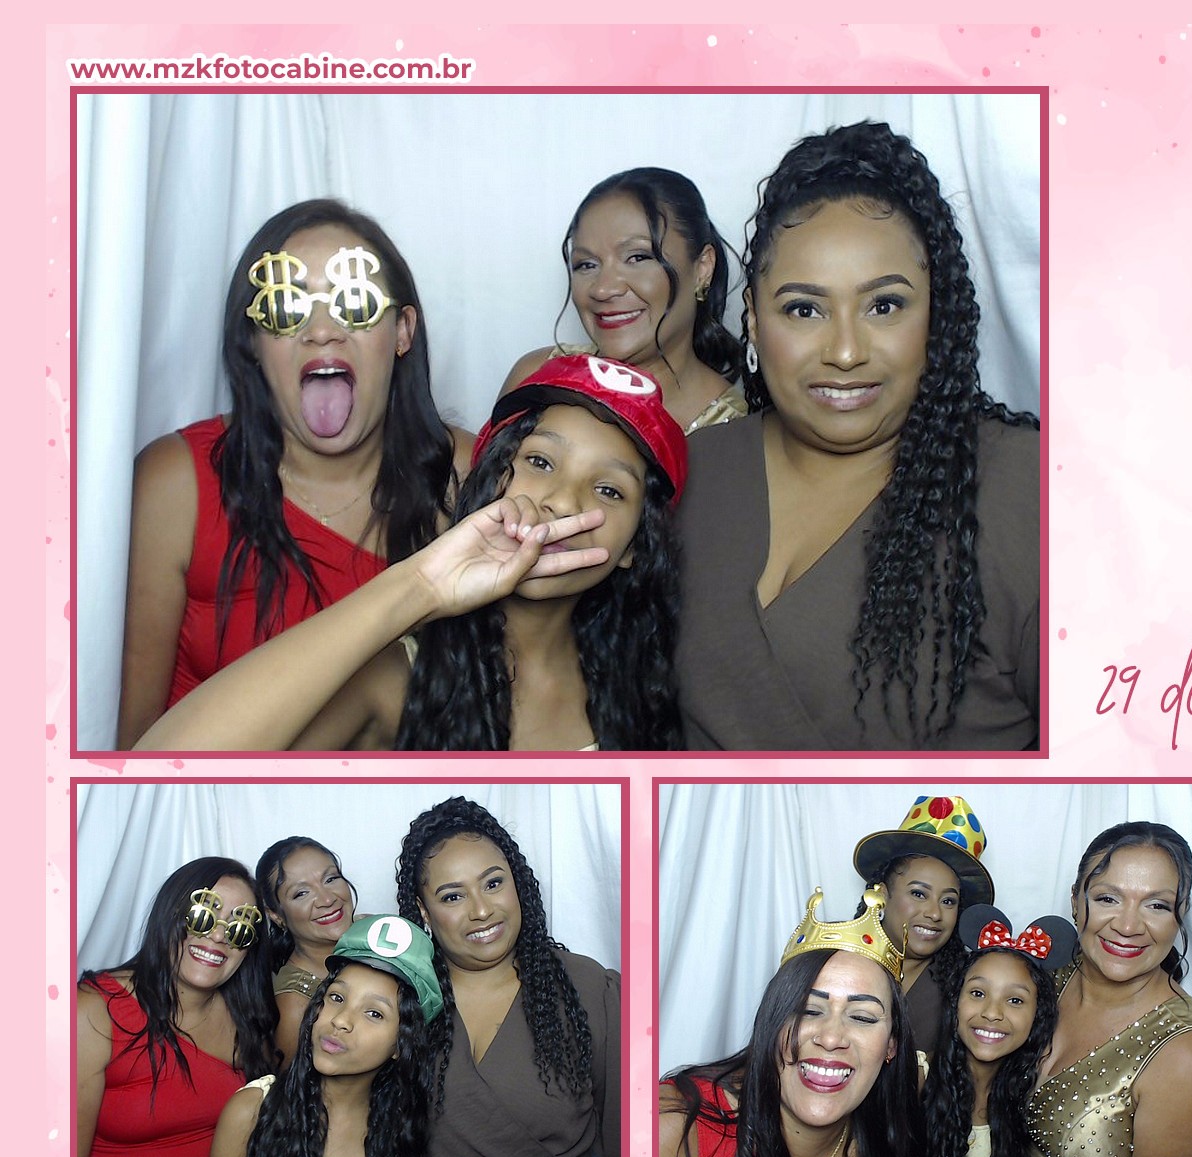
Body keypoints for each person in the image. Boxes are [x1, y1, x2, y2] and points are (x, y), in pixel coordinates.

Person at [676, 120, 1039, 750]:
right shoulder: (687, 472)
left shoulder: (1029, 492)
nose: (845, 352)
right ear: (754, 323)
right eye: (804, 309)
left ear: (936, 314)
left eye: (884, 305)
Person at [134, 353, 684, 751]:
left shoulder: (640, 689)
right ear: (491, 478)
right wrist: (421, 584)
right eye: (540, 462)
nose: (562, 500)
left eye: (609, 490)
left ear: (635, 546)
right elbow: (157, 767)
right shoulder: (400, 674)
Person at [119, 198, 469, 747]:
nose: (322, 331)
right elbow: (132, 754)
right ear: (253, 343)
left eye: (354, 302)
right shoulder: (176, 484)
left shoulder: (470, 475)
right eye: (286, 307)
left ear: (402, 331)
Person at [394, 798, 620, 1157]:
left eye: (493, 883)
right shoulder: (400, 996)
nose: (482, 910)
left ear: (516, 882)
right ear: (424, 912)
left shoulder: (588, 988)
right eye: (453, 896)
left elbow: (628, 1152)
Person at [659, 887, 924, 1157]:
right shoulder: (674, 1127)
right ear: (772, 1023)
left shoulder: (894, 1141)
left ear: (891, 1045)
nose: (831, 1038)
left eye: (862, 1017)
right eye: (808, 1010)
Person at [504, 168, 746, 433]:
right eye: (586, 264)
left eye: (638, 257)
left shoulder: (735, 431)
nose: (603, 289)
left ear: (702, 268)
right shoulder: (536, 377)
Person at [76, 858, 278, 1157]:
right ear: (170, 915)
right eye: (202, 916)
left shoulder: (248, 1016)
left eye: (239, 928)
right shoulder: (95, 1010)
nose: (219, 936)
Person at [1028, 822, 1192, 1157]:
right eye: (1108, 899)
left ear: (1180, 914)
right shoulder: (1041, 983)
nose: (1127, 926)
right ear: (1075, 900)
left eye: (1157, 905)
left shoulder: (1188, 1056)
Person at [210, 914, 446, 1157]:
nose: (341, 1020)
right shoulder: (251, 1112)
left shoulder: (403, 1133)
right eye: (336, 997)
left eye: (374, 1013)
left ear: (401, 1042)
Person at [922, 905, 1071, 1157]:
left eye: (1015, 1000)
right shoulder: (915, 1078)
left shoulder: (1031, 1102)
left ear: (1037, 1016)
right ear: (956, 1001)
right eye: (978, 993)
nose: (992, 1013)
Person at [850, 795, 994, 1051]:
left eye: (948, 901)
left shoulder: (965, 986)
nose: (935, 913)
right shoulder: (834, 960)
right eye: (918, 894)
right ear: (882, 895)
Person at [254, 835, 359, 1060]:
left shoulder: (376, 932)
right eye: (301, 893)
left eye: (330, 879)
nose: (327, 899)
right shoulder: (293, 1008)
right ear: (275, 914)